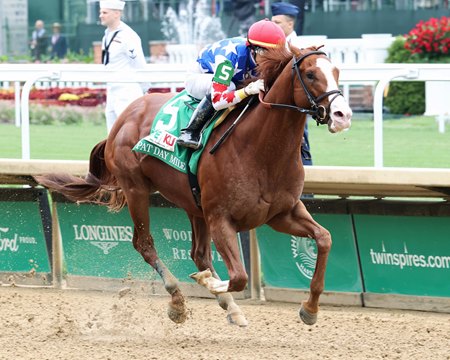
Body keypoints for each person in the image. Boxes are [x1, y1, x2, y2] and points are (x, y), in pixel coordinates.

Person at [177, 19, 286, 150]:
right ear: (256, 50)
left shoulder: (258, 55)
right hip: (199, 77)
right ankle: (190, 132)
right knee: (230, 87)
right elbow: (217, 101)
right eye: (271, 55)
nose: (274, 60)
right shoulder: (229, 60)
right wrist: (247, 91)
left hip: (231, 78)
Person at [271, 2, 312, 165]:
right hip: (273, 105)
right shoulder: (272, 45)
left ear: (290, 24)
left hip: (294, 107)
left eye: (277, 23)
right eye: (272, 22)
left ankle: (308, 186)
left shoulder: (299, 48)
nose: (274, 26)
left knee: (301, 146)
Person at [99, 0, 147, 133]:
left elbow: (139, 63)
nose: (101, 15)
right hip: (112, 88)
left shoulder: (128, 35)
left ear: (116, 13)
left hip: (127, 89)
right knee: (111, 134)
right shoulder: (106, 35)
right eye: (100, 12)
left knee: (128, 132)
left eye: (105, 12)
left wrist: (144, 88)